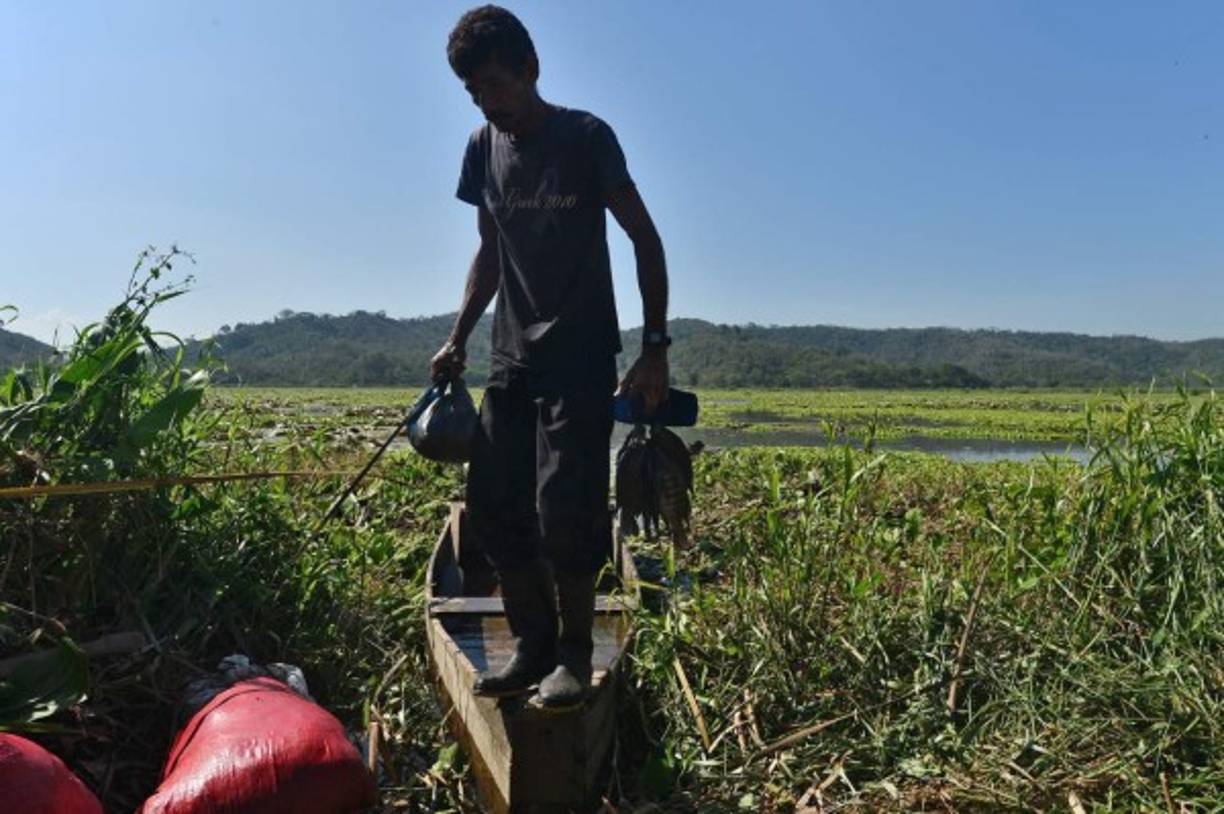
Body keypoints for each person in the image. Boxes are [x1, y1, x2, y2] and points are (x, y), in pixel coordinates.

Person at [433, 5, 670, 710]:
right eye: (476, 93)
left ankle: (572, 654)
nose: (489, 102)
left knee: (565, 509)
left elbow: (645, 240)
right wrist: (458, 336)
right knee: (494, 507)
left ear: (531, 69)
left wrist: (654, 347)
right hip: (511, 357)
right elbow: (490, 251)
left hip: (580, 354)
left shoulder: (585, 137)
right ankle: (531, 645)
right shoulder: (482, 148)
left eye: (498, 85)